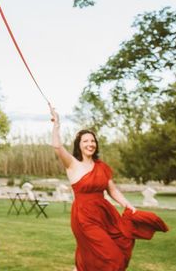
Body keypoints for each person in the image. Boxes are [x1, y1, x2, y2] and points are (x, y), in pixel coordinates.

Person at [50, 106, 168, 271]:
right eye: (86, 141)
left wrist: (128, 206)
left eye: (93, 141)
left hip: (105, 214)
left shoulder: (102, 167)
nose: (90, 144)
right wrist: (56, 125)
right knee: (112, 258)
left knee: (116, 245)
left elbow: (112, 190)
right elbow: (57, 147)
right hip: (84, 217)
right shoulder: (72, 164)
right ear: (79, 145)